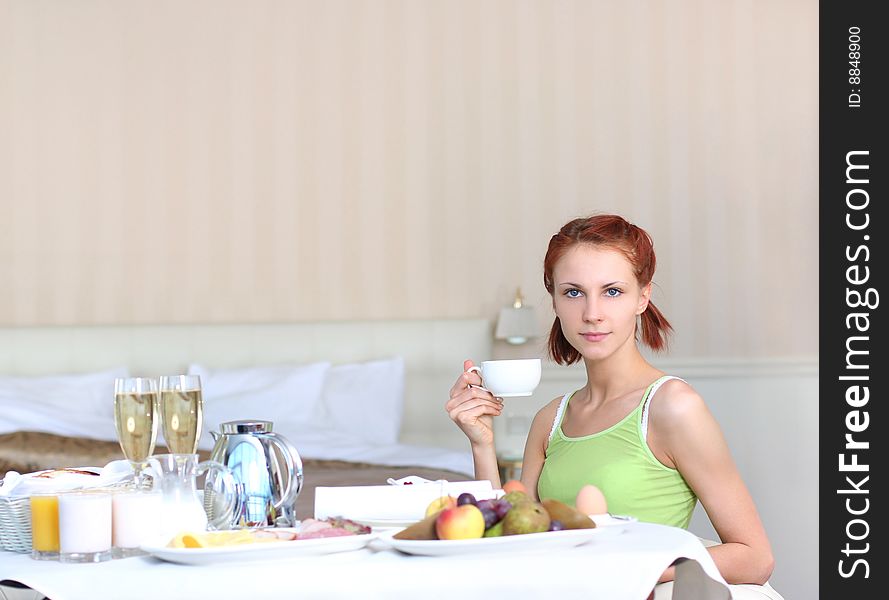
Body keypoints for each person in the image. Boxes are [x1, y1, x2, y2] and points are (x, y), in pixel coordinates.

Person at [445, 214, 774, 586]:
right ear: (553, 300)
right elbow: (512, 539)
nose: (592, 314)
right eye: (573, 292)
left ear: (643, 296)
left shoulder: (673, 407)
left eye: (612, 291)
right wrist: (482, 444)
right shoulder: (550, 419)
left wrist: (629, 572)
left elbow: (754, 557)